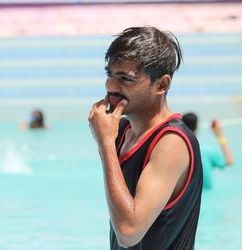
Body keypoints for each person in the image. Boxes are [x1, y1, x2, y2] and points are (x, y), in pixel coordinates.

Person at [88, 26, 203, 250]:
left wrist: (105, 144)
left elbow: (129, 233)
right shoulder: (122, 131)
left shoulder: (171, 143)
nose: (111, 86)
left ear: (162, 84)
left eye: (125, 78)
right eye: (109, 74)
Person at [182, 112, 234, 189]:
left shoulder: (177, 151)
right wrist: (219, 135)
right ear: (196, 127)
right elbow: (229, 161)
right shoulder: (206, 151)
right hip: (206, 195)